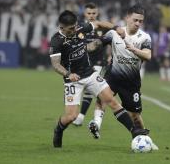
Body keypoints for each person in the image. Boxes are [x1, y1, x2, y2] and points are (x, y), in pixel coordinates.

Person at [49, 10, 149, 148]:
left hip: (90, 74)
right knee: (71, 117)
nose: (74, 30)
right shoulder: (56, 41)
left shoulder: (80, 28)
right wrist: (67, 74)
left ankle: (134, 132)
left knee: (111, 101)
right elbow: (55, 64)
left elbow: (98, 24)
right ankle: (58, 129)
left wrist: (115, 28)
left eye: (75, 26)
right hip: (73, 80)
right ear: (61, 28)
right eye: (71, 29)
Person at [88, 4, 153, 139]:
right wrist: (81, 47)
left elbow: (148, 55)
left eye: (140, 21)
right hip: (113, 76)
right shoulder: (113, 33)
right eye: (135, 20)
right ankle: (96, 124)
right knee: (102, 98)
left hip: (131, 82)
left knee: (134, 116)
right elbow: (95, 45)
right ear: (127, 18)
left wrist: (134, 49)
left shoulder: (144, 37)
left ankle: (144, 139)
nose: (138, 23)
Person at [72, 3, 110, 126]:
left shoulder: (102, 27)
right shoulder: (80, 27)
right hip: (83, 62)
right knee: (79, 88)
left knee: (89, 89)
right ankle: (78, 115)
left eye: (94, 13)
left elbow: (110, 42)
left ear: (97, 13)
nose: (91, 16)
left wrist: (110, 55)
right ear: (85, 13)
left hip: (98, 62)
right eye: (89, 13)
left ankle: (81, 117)